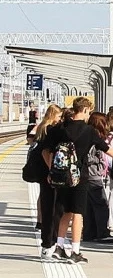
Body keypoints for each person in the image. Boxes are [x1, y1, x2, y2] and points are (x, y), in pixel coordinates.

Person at [40, 97, 113, 263]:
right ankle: (75, 250)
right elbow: (107, 149)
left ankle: (59, 247)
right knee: (78, 214)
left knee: (65, 212)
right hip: (79, 177)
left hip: (61, 176)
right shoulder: (88, 131)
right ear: (85, 110)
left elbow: (45, 151)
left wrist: (51, 170)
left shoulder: (60, 128)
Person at [30, 105, 62, 254]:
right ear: (53, 115)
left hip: (41, 170)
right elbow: (46, 152)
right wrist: (52, 170)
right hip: (49, 170)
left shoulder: (41, 127)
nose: (60, 119)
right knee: (53, 206)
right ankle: (50, 240)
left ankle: (44, 231)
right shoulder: (51, 130)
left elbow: (31, 139)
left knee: (45, 200)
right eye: (59, 116)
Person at [82, 112, 113, 243]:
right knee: (101, 204)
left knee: (89, 206)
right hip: (93, 175)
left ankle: (89, 233)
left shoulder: (86, 134)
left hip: (86, 175)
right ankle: (102, 232)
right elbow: (92, 156)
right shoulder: (94, 137)